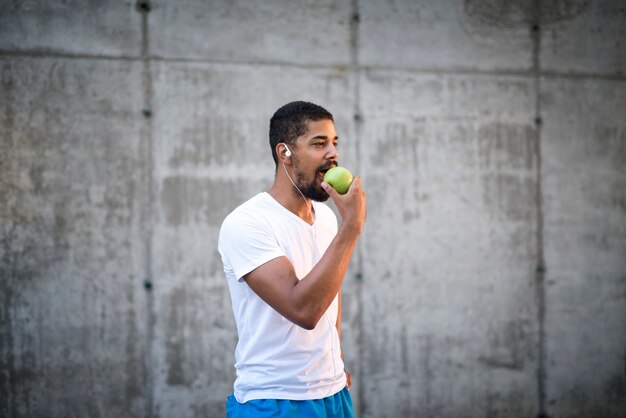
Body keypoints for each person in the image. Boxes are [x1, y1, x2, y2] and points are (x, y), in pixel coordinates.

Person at [218, 101, 367, 417]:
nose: (333, 154)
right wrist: (352, 227)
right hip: (275, 401)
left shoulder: (326, 218)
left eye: (334, 143)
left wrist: (334, 361)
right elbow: (304, 309)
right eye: (319, 143)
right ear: (284, 152)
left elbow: (330, 294)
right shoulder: (247, 223)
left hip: (334, 393)